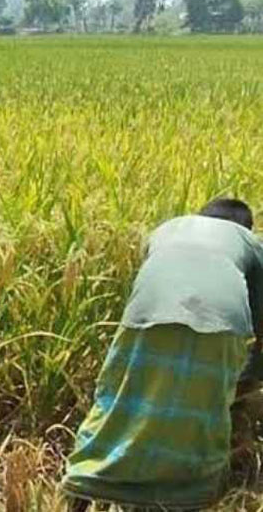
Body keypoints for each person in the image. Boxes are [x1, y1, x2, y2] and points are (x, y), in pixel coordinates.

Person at [63, 198, 263, 511]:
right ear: (244, 227)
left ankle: (86, 481)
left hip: (144, 314)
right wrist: (249, 378)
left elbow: (153, 277)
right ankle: (188, 494)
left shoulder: (165, 230)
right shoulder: (248, 241)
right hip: (221, 320)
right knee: (203, 411)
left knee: (120, 398)